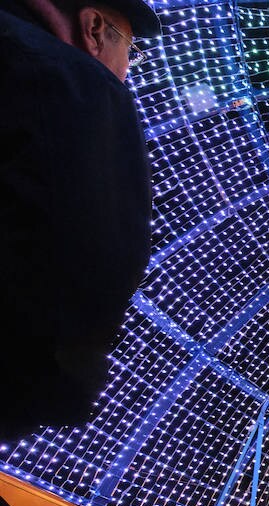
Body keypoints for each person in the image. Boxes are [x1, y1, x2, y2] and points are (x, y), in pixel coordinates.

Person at [0, 0, 160, 440]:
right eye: (131, 51)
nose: (128, 69)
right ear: (92, 28)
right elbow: (84, 260)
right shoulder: (72, 81)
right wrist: (54, 388)